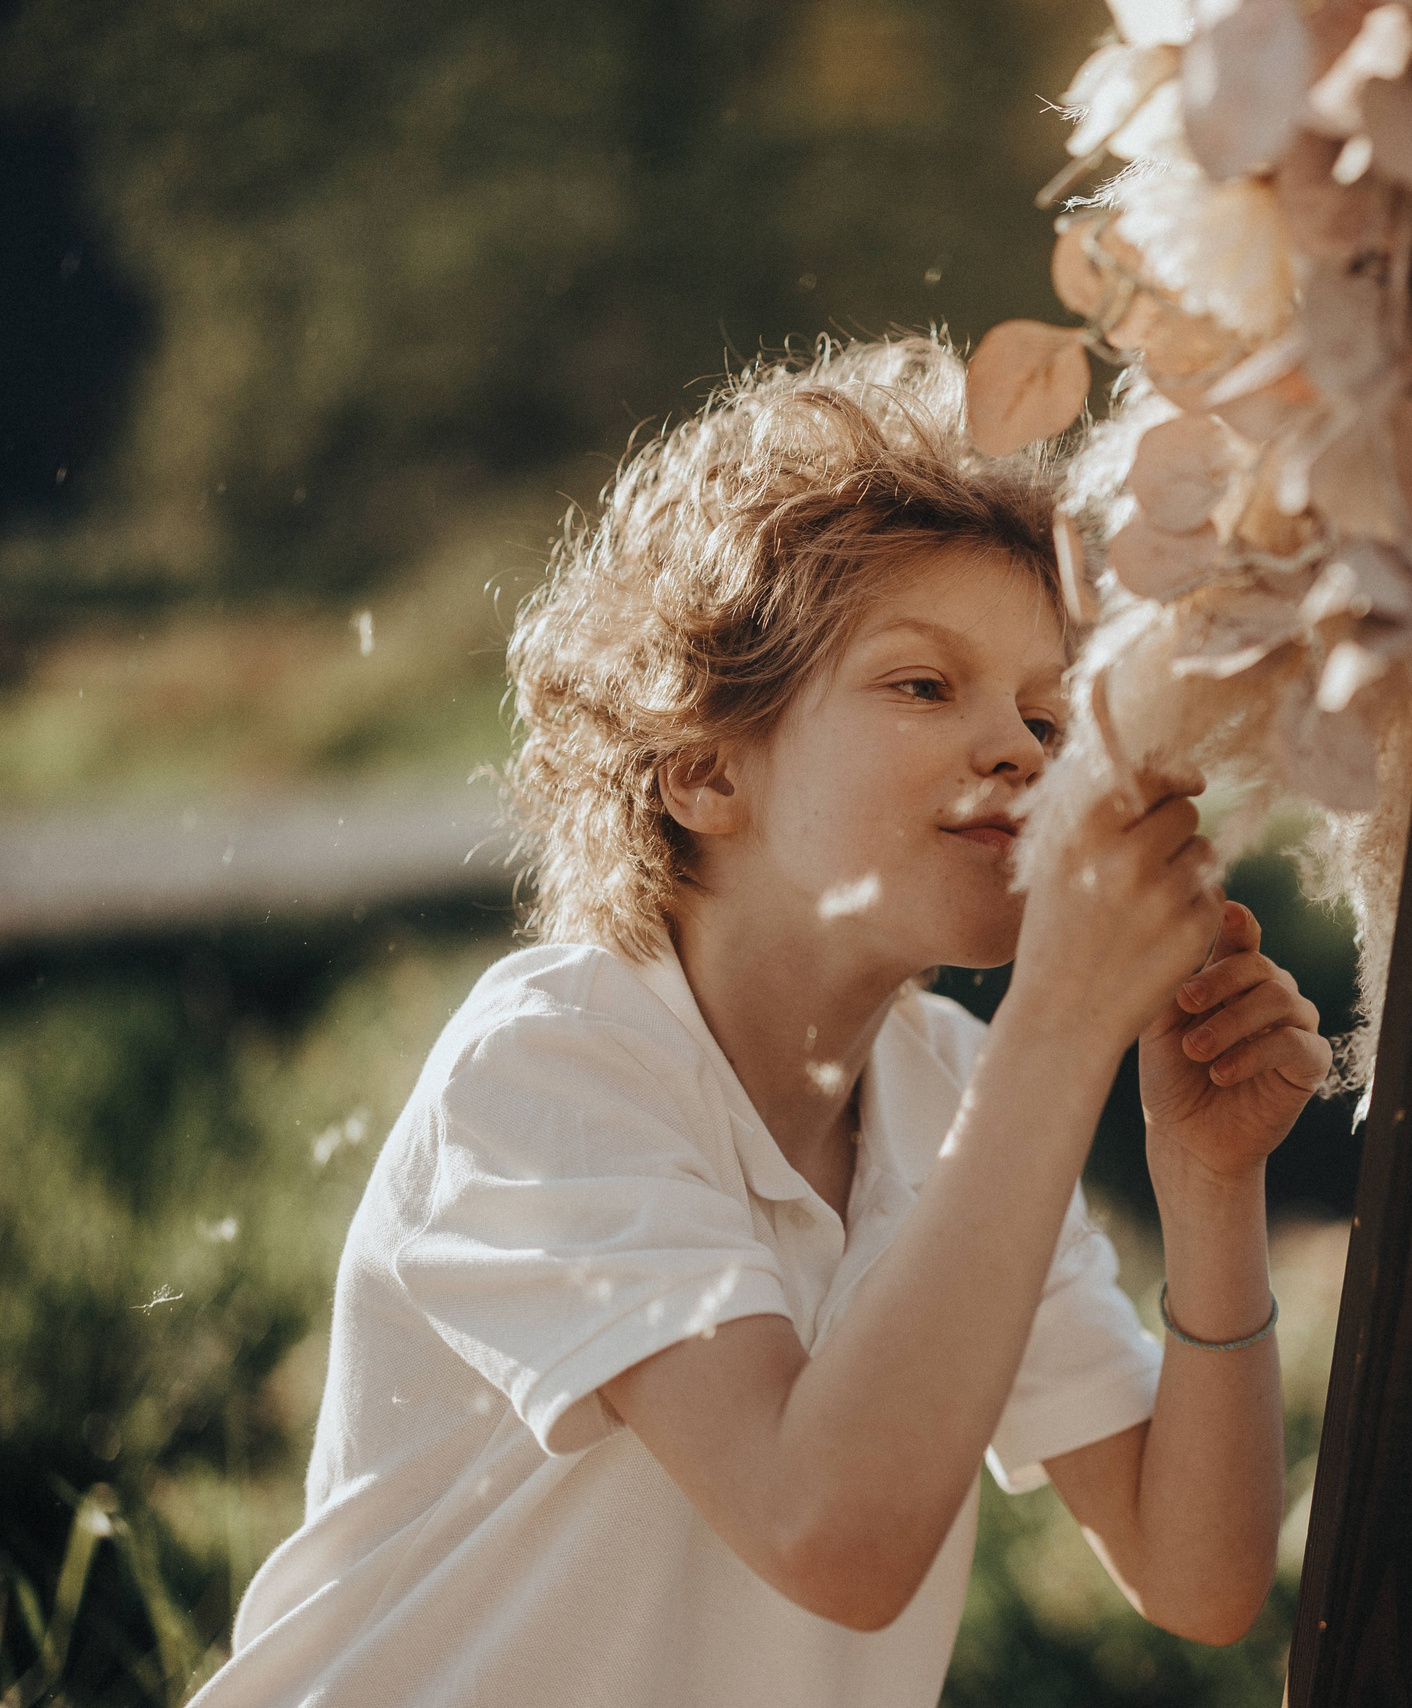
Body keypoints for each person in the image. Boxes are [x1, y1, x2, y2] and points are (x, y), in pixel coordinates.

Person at [189, 336, 1328, 1706]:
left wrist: (1208, 1186)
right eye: (924, 684)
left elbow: (1197, 1577)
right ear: (703, 771)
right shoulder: (553, 1067)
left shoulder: (956, 1096)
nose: (1023, 753)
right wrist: (1063, 1029)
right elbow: (827, 1532)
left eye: (1046, 712)